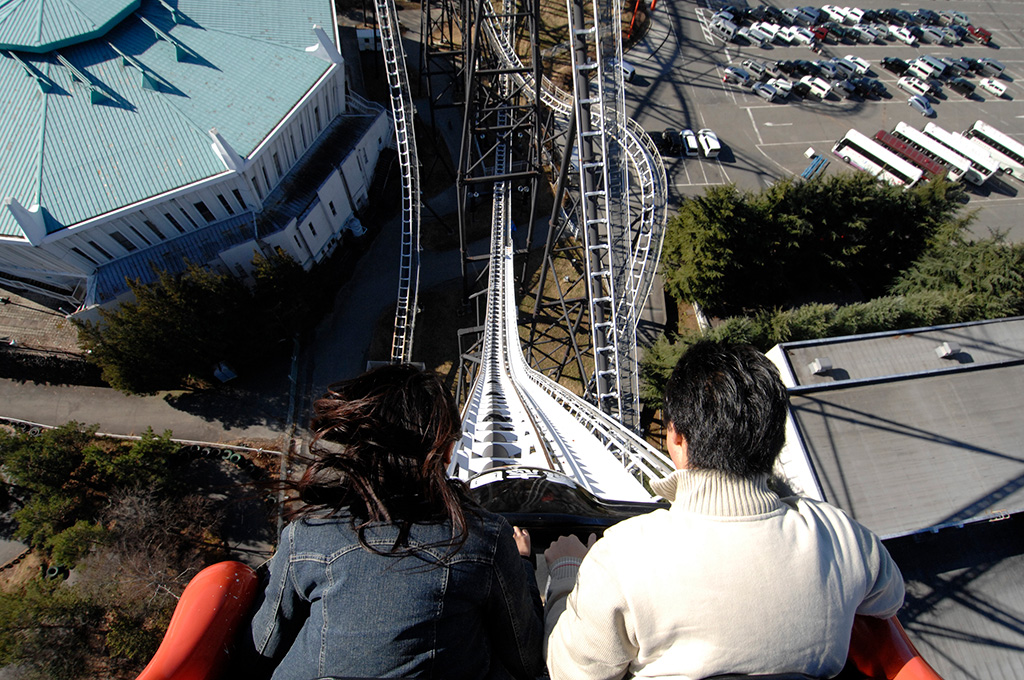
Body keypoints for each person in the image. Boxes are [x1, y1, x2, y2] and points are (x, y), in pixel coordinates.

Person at [544, 341, 904, 680]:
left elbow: (569, 673)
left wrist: (563, 576)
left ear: (676, 438)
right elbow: (890, 598)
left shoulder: (620, 558)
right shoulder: (839, 535)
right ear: (776, 442)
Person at [247, 363, 544, 680]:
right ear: (443, 451)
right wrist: (523, 563)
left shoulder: (306, 535)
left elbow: (262, 647)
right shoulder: (483, 537)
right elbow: (526, 658)